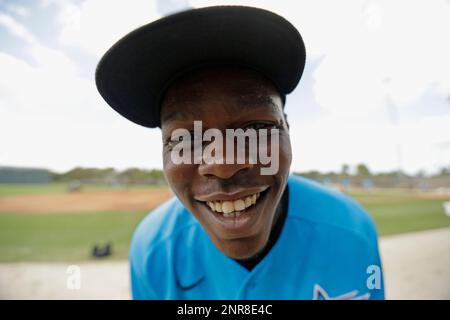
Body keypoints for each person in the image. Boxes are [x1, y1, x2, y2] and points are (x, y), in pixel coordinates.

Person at [96, 6, 384, 300]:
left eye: (257, 127)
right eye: (187, 138)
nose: (223, 165)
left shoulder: (352, 231)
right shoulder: (153, 250)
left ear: (287, 129)